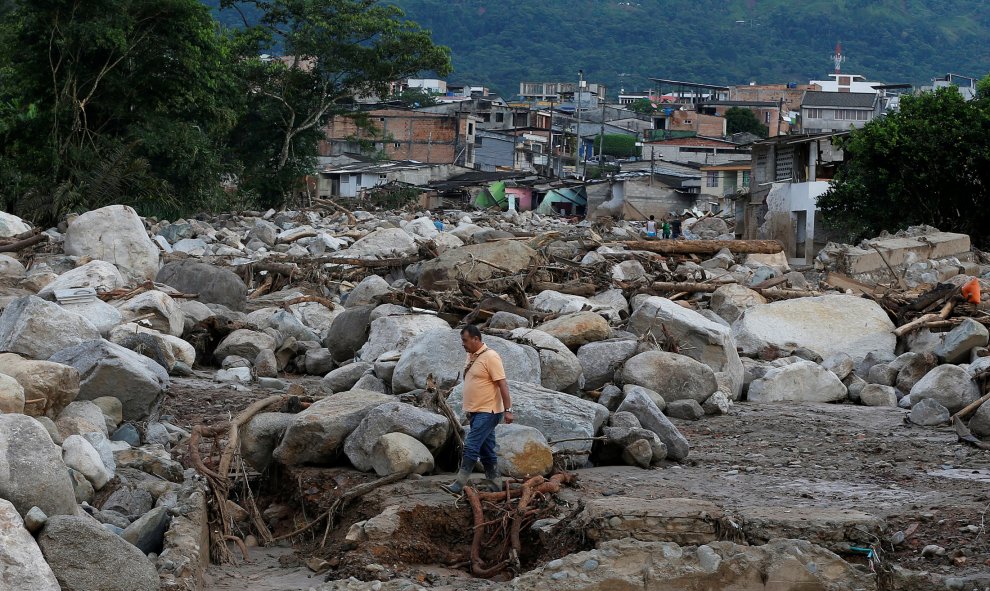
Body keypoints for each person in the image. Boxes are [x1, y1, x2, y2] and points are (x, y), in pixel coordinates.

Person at [444, 325, 513, 494]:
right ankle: (496, 485)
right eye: (462, 340)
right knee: (486, 450)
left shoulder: (491, 356)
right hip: (476, 411)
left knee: (471, 445)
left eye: (465, 340)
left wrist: (508, 409)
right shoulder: (471, 356)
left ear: (476, 339)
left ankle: (459, 484)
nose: (463, 344)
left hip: (488, 411)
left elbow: (502, 384)